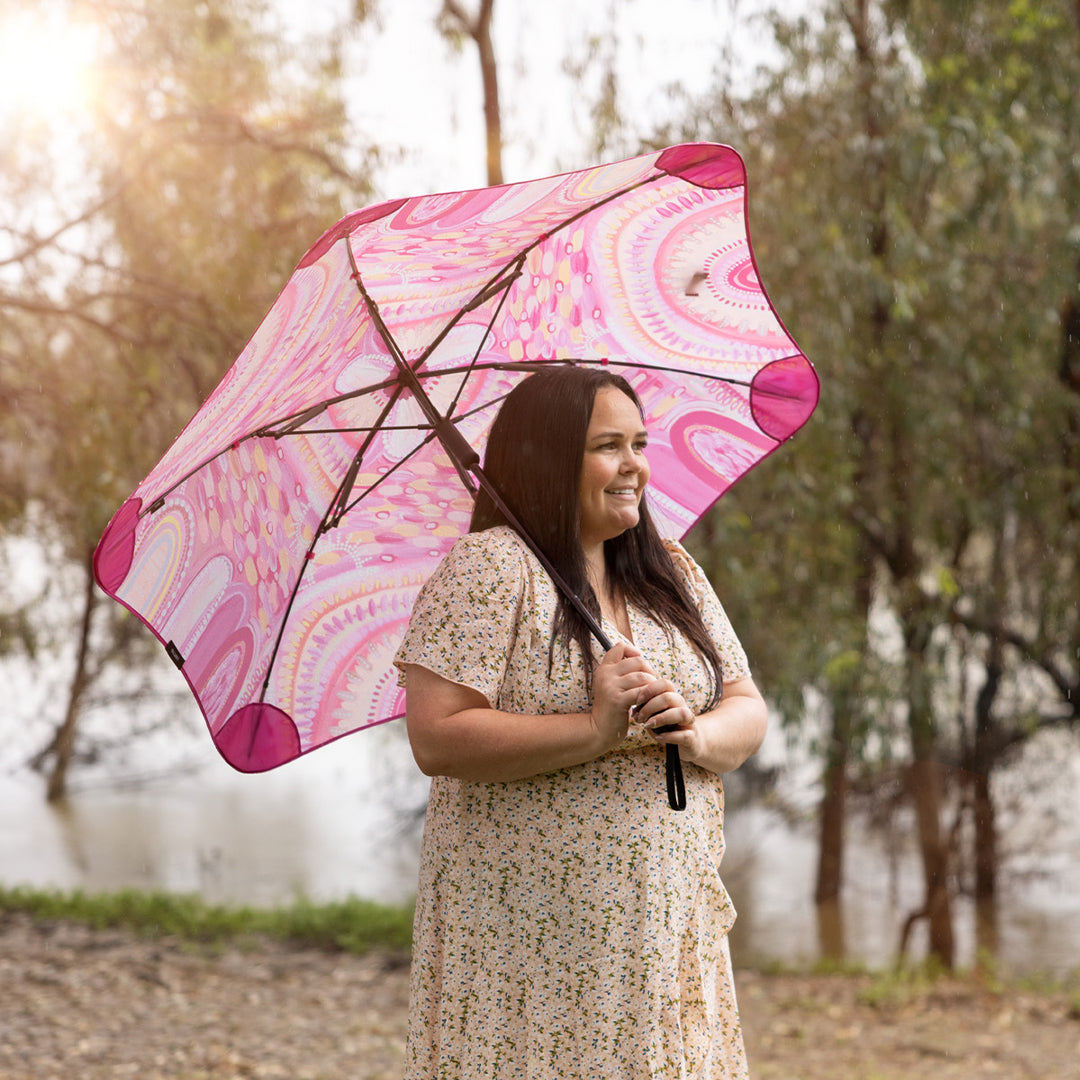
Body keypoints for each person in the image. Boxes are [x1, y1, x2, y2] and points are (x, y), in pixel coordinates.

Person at [393, 365, 767, 1079]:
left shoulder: (670, 573)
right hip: (534, 938)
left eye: (640, 442)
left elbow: (747, 704)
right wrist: (594, 729)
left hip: (663, 926)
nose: (634, 466)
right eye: (608, 446)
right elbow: (437, 735)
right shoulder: (491, 569)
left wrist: (696, 733)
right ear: (549, 458)